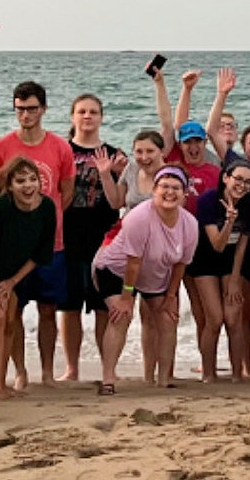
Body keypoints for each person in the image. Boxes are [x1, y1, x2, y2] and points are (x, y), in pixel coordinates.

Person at [0, 81, 78, 385]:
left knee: (49, 310)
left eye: (32, 108)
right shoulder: (1, 148)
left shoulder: (60, 146)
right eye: (20, 109)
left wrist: (43, 224)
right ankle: (20, 372)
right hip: (12, 248)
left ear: (44, 109)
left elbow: (64, 195)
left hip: (53, 243)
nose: (26, 114)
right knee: (12, 312)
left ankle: (48, 372)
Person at [91, 168, 201, 395]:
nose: (170, 192)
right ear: (154, 190)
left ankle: (163, 380)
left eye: (176, 188)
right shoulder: (139, 217)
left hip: (153, 272)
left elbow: (181, 264)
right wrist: (125, 298)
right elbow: (133, 263)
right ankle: (108, 379)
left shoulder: (190, 224)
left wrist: (171, 297)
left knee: (168, 318)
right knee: (121, 316)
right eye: (164, 187)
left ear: (185, 194)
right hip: (115, 269)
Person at [0, 157, 56, 401]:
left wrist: (10, 283)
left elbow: (40, 254)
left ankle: (1, 380)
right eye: (20, 181)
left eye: (33, 179)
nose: (28, 185)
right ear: (9, 186)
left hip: (13, 273)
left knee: (11, 320)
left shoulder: (47, 207)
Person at [64, 93, 128, 389]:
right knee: (71, 306)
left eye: (93, 112)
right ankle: (72, 368)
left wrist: (114, 175)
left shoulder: (114, 154)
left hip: (105, 236)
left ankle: (107, 368)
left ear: (101, 117)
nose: (87, 117)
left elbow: (121, 200)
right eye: (82, 112)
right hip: (69, 235)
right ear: (73, 117)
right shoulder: (62, 150)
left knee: (104, 306)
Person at [190, 163, 250, 383]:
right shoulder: (208, 201)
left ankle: (237, 375)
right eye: (237, 179)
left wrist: (234, 279)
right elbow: (217, 245)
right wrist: (230, 221)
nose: (242, 185)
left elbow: (242, 244)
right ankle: (209, 375)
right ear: (225, 178)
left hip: (232, 263)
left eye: (247, 182)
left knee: (234, 319)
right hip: (204, 261)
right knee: (214, 318)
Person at [153, 70, 222, 197]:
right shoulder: (171, 161)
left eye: (197, 141)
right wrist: (160, 83)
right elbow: (167, 123)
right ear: (179, 145)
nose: (193, 146)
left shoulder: (215, 171)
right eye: (188, 142)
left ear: (205, 142)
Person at [120, 131, 169, 210]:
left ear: (162, 152)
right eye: (139, 152)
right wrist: (105, 174)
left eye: (150, 151)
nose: (144, 157)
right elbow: (116, 203)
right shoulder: (131, 169)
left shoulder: (173, 175)